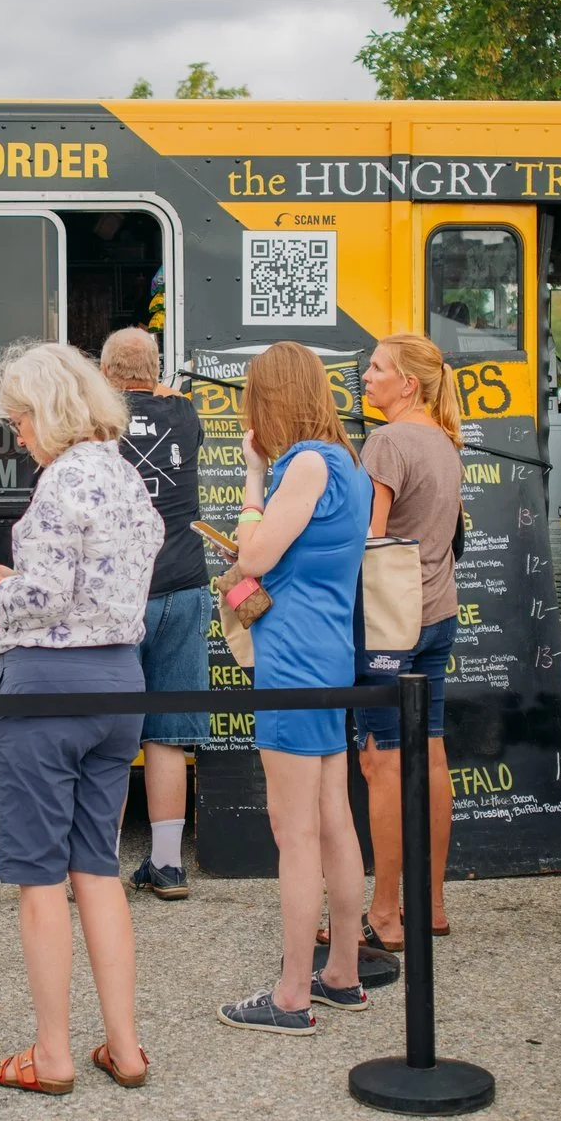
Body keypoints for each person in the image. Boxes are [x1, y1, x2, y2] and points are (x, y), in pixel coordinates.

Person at [0, 342, 160, 1094]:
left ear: (48, 411)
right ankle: (125, 1046)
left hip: (46, 688)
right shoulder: (126, 475)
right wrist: (24, 580)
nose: (18, 434)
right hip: (119, 682)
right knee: (97, 867)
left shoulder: (59, 481)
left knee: (40, 879)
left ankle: (53, 1055)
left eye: (19, 419)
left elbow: (43, 597)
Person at [217, 341, 373, 1036]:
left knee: (295, 829)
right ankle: (341, 972)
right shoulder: (347, 462)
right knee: (333, 817)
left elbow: (254, 555)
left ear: (271, 398)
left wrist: (253, 476)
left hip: (292, 660)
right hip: (328, 654)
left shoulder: (305, 463)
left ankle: (289, 995)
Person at [352, 333, 464, 947]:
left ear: (408, 383)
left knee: (383, 762)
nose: (365, 377)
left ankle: (385, 914)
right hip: (438, 611)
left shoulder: (388, 442)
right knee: (433, 754)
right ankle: (432, 905)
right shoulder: (445, 440)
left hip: (391, 622)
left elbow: (371, 541)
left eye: (376, 368)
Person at [99, 328, 210, 900]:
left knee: (112, 738)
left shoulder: (95, 421)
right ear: (156, 370)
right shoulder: (185, 415)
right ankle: (167, 866)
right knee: (168, 736)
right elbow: (164, 396)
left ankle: (100, 865)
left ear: (105, 372)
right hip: (185, 584)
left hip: (122, 592)